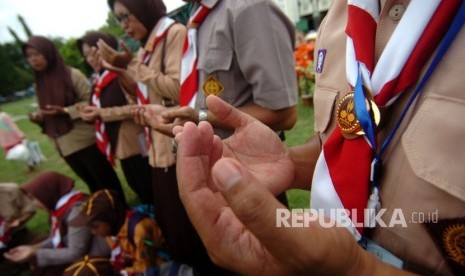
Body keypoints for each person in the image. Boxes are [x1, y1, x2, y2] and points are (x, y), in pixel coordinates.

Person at [173, 0, 465, 275]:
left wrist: (355, 269)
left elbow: (283, 110)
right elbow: (345, 143)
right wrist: (290, 162)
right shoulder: (340, 18)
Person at [98, 0, 221, 273]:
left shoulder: (173, 34)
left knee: (188, 228)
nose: (124, 26)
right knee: (171, 225)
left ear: (144, 8)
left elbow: (180, 90)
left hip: (176, 147)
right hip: (157, 148)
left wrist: (132, 65)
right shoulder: (147, 46)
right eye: (118, 20)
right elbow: (145, 90)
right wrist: (122, 70)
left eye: (126, 17)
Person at [22, 36, 126, 202]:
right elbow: (46, 111)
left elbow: (90, 102)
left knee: (106, 181)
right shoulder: (39, 84)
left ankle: (122, 213)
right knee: (92, 185)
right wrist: (40, 118)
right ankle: (105, 216)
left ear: (48, 53)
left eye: (37, 54)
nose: (33, 59)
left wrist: (65, 111)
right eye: (29, 56)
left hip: (84, 140)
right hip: (63, 145)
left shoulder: (71, 75)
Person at [77, 31, 153, 205]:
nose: (89, 59)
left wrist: (101, 114)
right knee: (137, 185)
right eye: (86, 56)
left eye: (92, 52)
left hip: (135, 141)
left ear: (106, 48)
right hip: (119, 144)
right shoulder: (99, 79)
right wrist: (89, 112)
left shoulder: (120, 72)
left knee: (147, 186)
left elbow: (137, 106)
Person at [3, 172, 110, 275]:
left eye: (33, 198)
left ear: (46, 193)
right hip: (80, 253)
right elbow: (61, 237)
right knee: (39, 258)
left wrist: (34, 252)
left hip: (94, 257)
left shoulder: (76, 212)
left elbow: (75, 253)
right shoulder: (61, 209)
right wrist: (34, 248)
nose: (33, 204)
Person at [70, 189, 164, 274]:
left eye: (96, 226)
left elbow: (145, 267)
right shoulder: (111, 233)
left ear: (110, 218)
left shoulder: (139, 230)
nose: (93, 232)